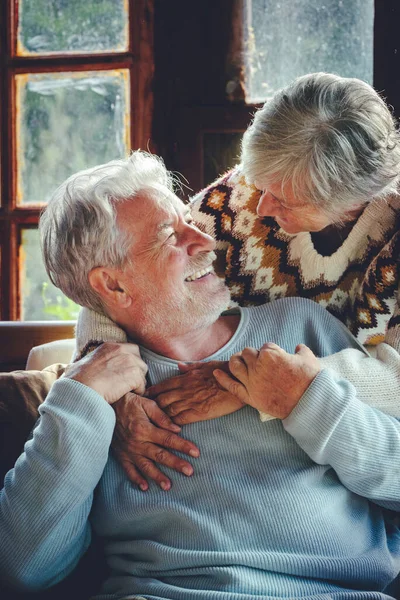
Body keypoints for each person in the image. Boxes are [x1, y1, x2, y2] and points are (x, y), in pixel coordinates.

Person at [1, 151, 399, 599]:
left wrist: (308, 399)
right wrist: (81, 400)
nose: (205, 241)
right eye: (171, 235)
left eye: (189, 220)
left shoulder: (299, 326)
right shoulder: (92, 397)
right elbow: (22, 568)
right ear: (113, 285)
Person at [78, 72, 400, 492]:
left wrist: (260, 381)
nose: (261, 204)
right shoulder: (243, 195)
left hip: (349, 436)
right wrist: (111, 396)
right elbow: (116, 280)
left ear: (351, 199)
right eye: (258, 183)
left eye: (283, 199)